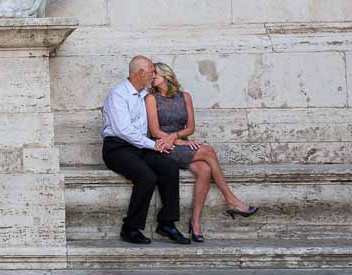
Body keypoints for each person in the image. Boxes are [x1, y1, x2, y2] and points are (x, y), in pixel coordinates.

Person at [145, 62, 259, 242]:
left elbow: (190, 127)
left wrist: (178, 137)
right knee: (209, 151)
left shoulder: (185, 97)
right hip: (164, 146)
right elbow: (154, 131)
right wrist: (176, 141)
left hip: (180, 141)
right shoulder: (151, 98)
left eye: (155, 73)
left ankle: (195, 223)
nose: (151, 77)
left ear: (166, 75)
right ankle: (231, 199)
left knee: (205, 170)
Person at [102, 55, 190, 245]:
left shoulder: (145, 95)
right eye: (151, 71)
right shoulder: (118, 95)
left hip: (139, 147)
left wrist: (171, 140)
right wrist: (154, 145)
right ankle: (130, 228)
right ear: (140, 72)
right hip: (117, 148)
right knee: (146, 176)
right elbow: (123, 131)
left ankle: (167, 223)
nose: (153, 74)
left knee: (169, 167)